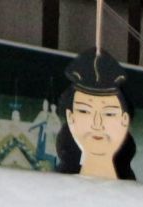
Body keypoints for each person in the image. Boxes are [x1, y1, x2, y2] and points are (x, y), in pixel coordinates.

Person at [55, 47, 134, 180]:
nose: (97, 124)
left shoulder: (135, 191)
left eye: (109, 113)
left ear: (124, 120)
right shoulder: (56, 187)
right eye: (84, 111)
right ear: (70, 117)